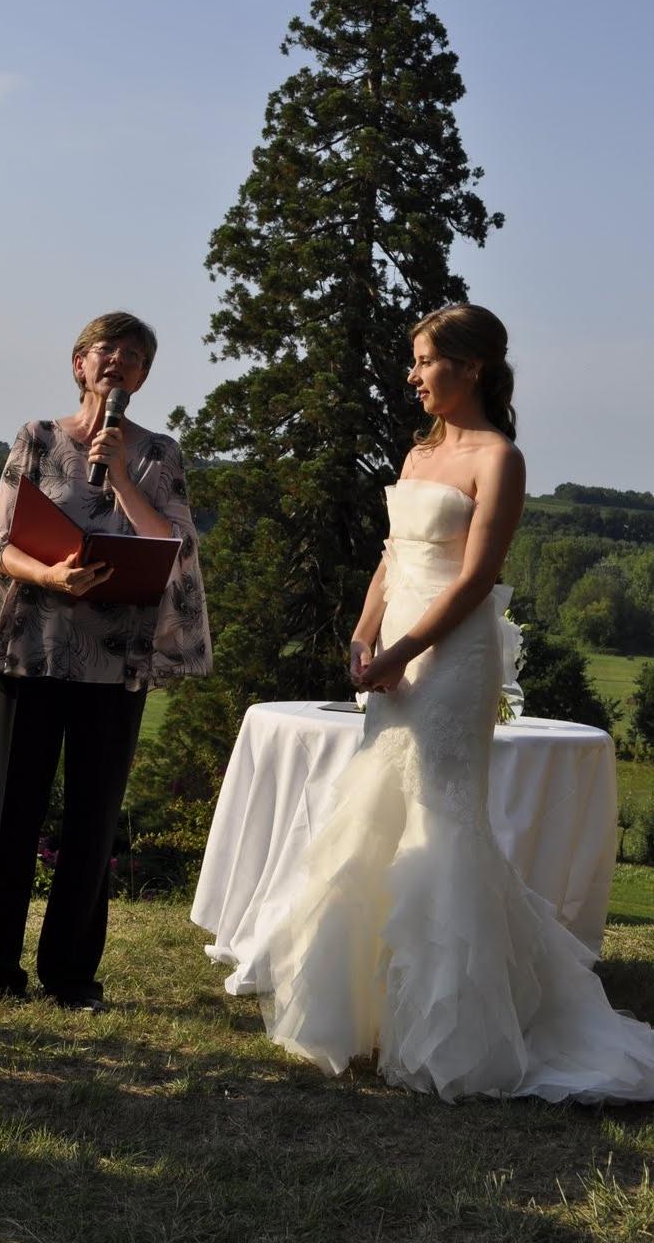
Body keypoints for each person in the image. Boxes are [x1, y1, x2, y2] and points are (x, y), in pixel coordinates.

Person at [223, 304, 654, 1101]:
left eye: (425, 360)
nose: (412, 375)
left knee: (440, 818)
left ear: (473, 367)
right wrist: (362, 634)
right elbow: (392, 557)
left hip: (451, 659)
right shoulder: (417, 452)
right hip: (391, 651)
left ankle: (452, 1028)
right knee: (378, 809)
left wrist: (404, 651)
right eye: (413, 361)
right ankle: (366, 1012)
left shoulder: (499, 458)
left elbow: (475, 579)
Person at [0, 311, 211, 1010]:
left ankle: (70, 977)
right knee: (11, 813)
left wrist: (120, 474)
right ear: (78, 364)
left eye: (133, 356)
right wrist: (51, 578)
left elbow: (171, 548)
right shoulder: (36, 438)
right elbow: (1, 544)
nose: (117, 362)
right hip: (34, 651)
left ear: (143, 377)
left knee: (93, 822)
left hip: (117, 661)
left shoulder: (160, 454)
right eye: (105, 351)